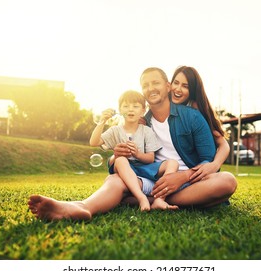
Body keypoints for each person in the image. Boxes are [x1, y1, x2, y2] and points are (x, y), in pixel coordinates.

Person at [27, 67, 237, 221]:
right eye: (145, 85)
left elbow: (208, 161)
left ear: (167, 86)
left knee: (227, 181)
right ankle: (81, 207)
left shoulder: (192, 117)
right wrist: (117, 154)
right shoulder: (140, 122)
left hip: (188, 182)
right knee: (116, 180)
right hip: (150, 179)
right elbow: (119, 163)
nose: (150, 88)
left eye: (155, 83)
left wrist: (181, 176)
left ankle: (138, 199)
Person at [89, 90, 179, 211]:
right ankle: (141, 198)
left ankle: (160, 199)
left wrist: (137, 154)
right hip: (124, 168)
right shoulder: (115, 130)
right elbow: (94, 142)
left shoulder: (146, 131)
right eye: (126, 106)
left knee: (173, 163)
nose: (130, 109)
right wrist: (102, 122)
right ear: (120, 110)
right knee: (120, 159)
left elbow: (150, 158)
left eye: (135, 106)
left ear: (143, 111)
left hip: (143, 168)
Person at [169, 66, 230, 179]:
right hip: (169, 169)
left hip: (196, 170)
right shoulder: (164, 105)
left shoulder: (195, 110)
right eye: (176, 83)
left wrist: (214, 165)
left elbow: (223, 143)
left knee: (227, 180)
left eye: (185, 86)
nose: (178, 89)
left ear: (192, 90)